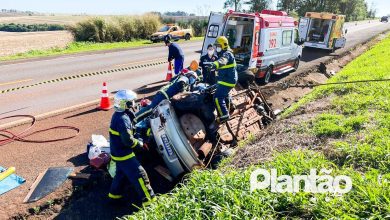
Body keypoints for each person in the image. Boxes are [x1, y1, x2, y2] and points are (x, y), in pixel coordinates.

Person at [108, 90, 155, 207]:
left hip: (117, 153)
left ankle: (114, 198)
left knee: (121, 175)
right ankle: (150, 203)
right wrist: (139, 144)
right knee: (140, 175)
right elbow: (128, 140)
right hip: (124, 155)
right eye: (131, 101)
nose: (134, 103)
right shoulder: (123, 119)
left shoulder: (119, 115)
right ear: (126, 104)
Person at [134, 70, 199, 123]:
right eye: (192, 77)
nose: (192, 79)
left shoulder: (186, 84)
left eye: (194, 79)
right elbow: (181, 84)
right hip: (163, 95)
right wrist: (187, 93)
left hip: (164, 97)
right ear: (188, 75)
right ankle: (134, 119)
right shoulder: (185, 78)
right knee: (150, 109)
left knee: (154, 113)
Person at [208, 36, 237, 123]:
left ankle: (224, 115)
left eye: (218, 46)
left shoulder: (227, 54)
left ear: (223, 45)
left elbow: (223, 61)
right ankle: (231, 106)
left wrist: (215, 64)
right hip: (228, 80)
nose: (217, 48)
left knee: (217, 97)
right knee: (225, 94)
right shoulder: (224, 53)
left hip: (227, 81)